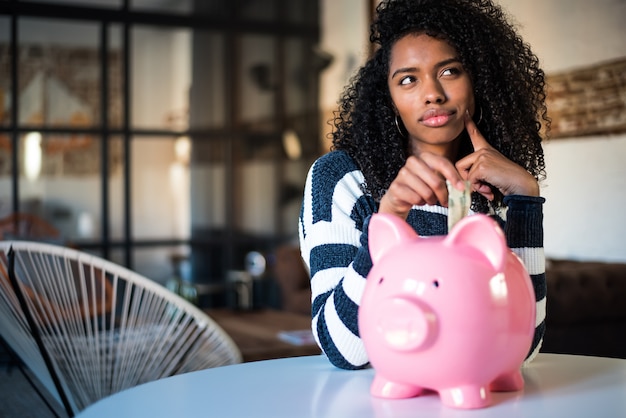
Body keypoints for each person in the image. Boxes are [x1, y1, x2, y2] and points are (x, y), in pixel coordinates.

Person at [299, 0, 548, 370]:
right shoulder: (342, 178)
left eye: (449, 71)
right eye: (408, 79)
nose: (432, 93)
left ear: (479, 82)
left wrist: (525, 199)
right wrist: (388, 220)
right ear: (390, 99)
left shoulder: (486, 190)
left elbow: (522, 344)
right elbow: (343, 351)